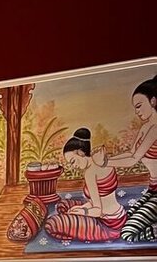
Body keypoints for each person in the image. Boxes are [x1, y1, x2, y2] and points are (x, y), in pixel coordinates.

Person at [44, 127, 126, 242]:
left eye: (73, 161)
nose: (73, 166)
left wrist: (83, 212)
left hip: (108, 224)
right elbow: (100, 200)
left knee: (52, 223)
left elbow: (98, 211)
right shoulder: (101, 161)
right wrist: (82, 207)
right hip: (119, 215)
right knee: (64, 205)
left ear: (81, 152)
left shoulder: (90, 173)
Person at [106, 74, 157, 243]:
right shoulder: (145, 127)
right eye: (135, 108)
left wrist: (105, 162)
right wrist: (106, 159)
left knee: (128, 233)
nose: (137, 111)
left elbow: (133, 159)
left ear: (153, 101)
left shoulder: (155, 128)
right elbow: (130, 153)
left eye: (139, 106)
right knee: (127, 217)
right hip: (153, 189)